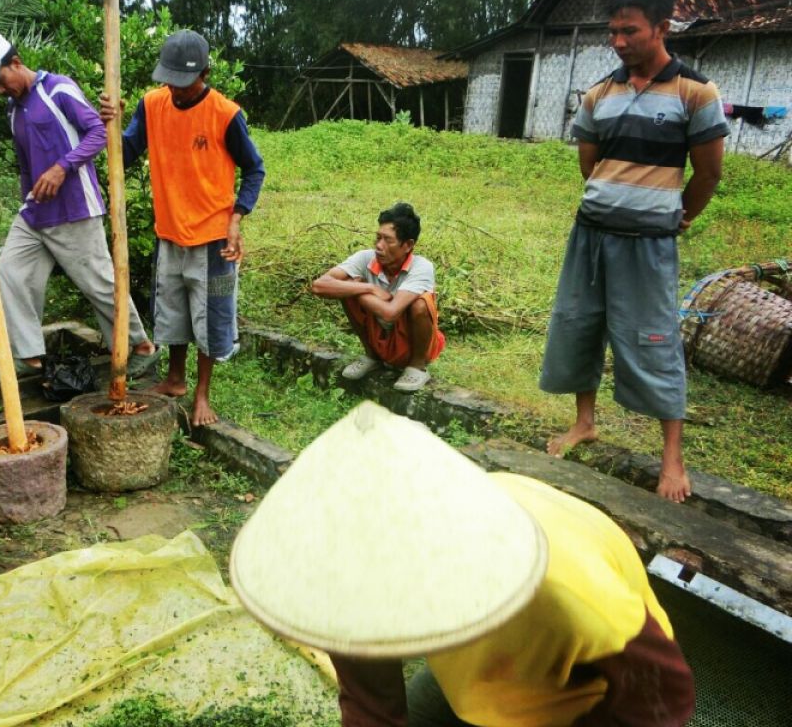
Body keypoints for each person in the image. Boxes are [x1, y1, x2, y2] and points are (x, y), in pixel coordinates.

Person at [230, 402, 695, 727]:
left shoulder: (566, 590)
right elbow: (373, 705)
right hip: (479, 680)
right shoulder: (342, 574)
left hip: (581, 702)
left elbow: (662, 702)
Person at [539, 0, 728, 504]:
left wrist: (674, 217)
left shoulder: (696, 93)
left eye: (630, 31)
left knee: (654, 337)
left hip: (648, 245)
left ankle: (673, 458)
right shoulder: (600, 93)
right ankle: (584, 422)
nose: (619, 42)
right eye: (613, 32)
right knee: (580, 322)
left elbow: (708, 173)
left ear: (662, 28)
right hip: (591, 237)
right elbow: (590, 165)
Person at [97, 30, 265, 426]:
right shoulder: (153, 105)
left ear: (204, 73)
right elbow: (128, 148)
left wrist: (237, 218)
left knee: (214, 312)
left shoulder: (225, 114)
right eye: (169, 79)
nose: (176, 88)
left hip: (216, 243)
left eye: (184, 82)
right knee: (171, 310)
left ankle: (202, 393)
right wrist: (108, 124)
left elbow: (254, 168)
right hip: (170, 233)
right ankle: (175, 379)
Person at [0, 32, 158, 377]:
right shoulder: (13, 111)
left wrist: (61, 167)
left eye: (0, 80)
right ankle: (30, 357)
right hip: (35, 212)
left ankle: (141, 346)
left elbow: (99, 134)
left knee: (98, 283)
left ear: (16, 62)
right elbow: (26, 165)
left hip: (75, 209)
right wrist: (28, 197)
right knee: (10, 273)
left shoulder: (58, 88)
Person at [310, 203, 445, 391]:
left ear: (408, 245)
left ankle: (417, 367)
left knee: (421, 304)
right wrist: (367, 288)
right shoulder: (365, 258)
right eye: (378, 237)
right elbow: (318, 286)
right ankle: (372, 356)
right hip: (379, 336)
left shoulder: (421, 267)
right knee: (347, 290)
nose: (379, 246)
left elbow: (391, 313)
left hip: (409, 341)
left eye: (387, 240)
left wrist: (356, 289)